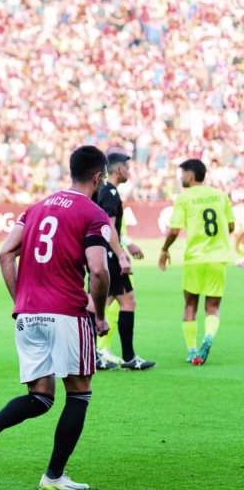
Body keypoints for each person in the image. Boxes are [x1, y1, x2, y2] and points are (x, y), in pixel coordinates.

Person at [0, 145, 112, 490]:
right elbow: (98, 270)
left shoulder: (34, 208)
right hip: (66, 313)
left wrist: (21, 299)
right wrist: (101, 314)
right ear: (97, 177)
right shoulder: (93, 214)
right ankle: (53, 477)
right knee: (79, 394)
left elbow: (5, 253)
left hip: (28, 315)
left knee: (41, 396)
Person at [159, 159, 235, 365]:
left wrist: (165, 250)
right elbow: (230, 226)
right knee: (213, 306)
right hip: (218, 259)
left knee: (190, 305)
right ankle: (208, 338)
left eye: (182, 174)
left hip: (195, 259)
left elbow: (174, 230)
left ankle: (192, 351)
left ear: (190, 175)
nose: (181, 178)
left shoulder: (185, 198)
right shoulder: (220, 195)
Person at [94, 153, 154, 370]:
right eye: (127, 168)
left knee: (122, 301)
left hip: (105, 254)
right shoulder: (109, 192)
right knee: (100, 304)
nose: (129, 171)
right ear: (119, 170)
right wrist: (120, 254)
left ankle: (109, 356)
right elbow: (108, 227)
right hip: (109, 256)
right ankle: (115, 357)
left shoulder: (104, 191)